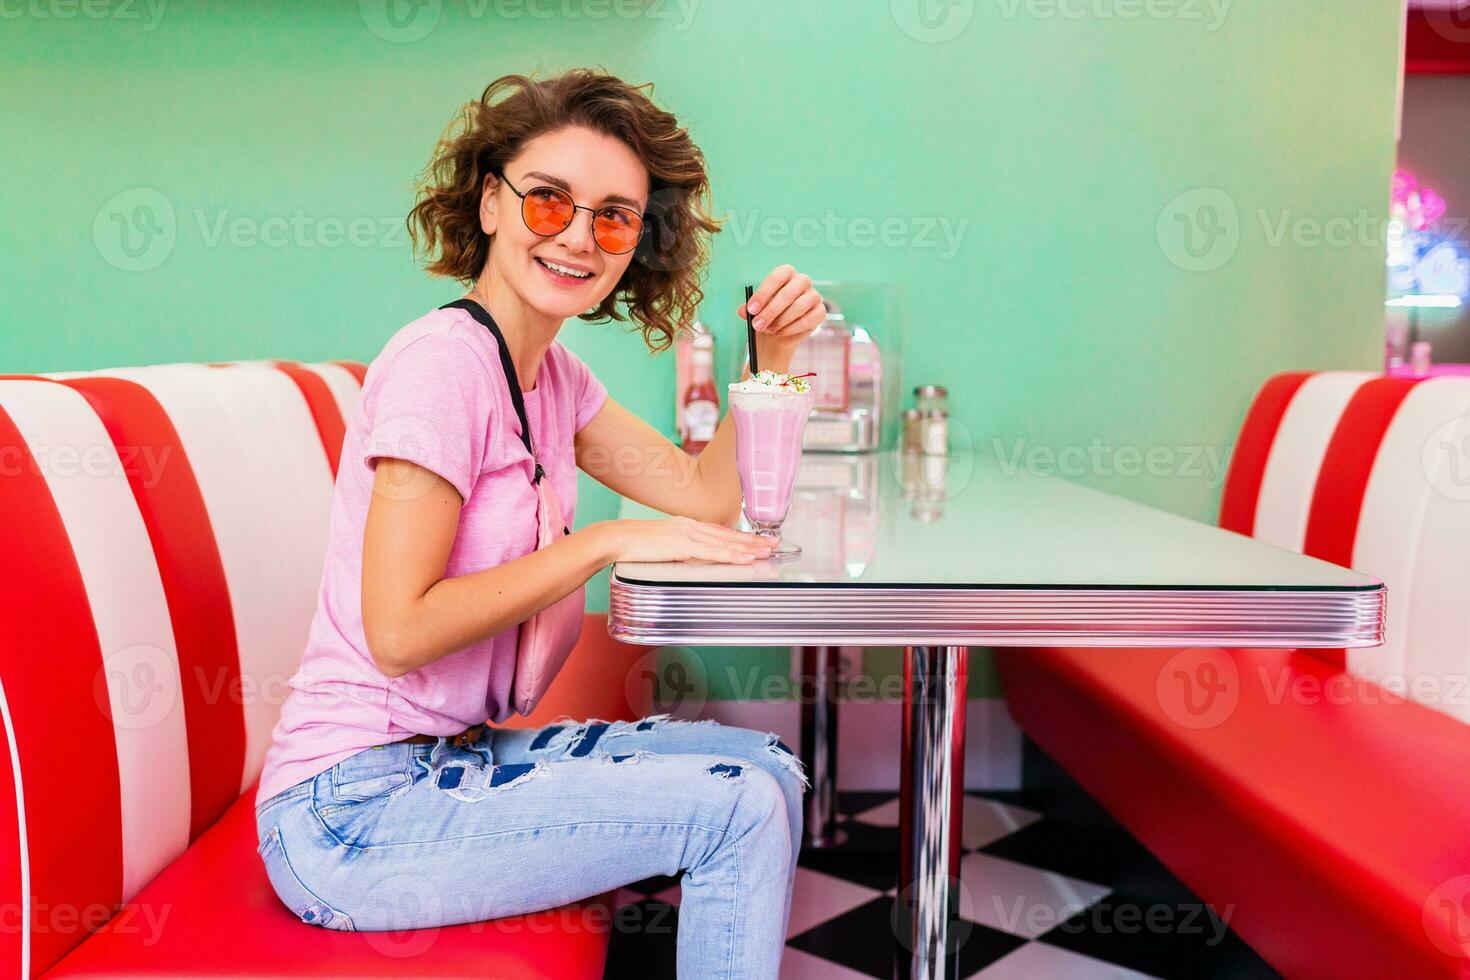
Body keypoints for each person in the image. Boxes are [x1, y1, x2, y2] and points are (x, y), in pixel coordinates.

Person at [252, 68, 827, 979]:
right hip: (347, 816)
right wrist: (598, 544)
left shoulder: (552, 378)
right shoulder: (444, 367)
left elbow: (705, 493)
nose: (578, 237)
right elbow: (398, 632)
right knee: (739, 808)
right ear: (490, 203)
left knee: (770, 767)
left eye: (613, 216)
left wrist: (773, 354)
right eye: (548, 200)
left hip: (452, 764)